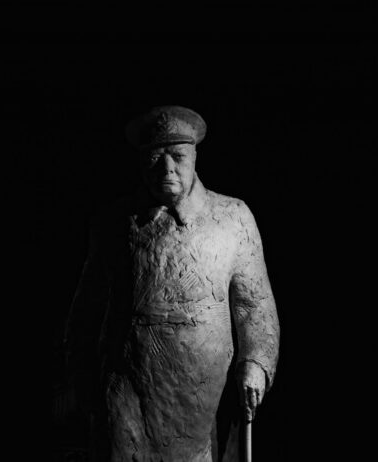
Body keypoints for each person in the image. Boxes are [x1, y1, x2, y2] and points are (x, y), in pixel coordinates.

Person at [64, 105, 280, 462]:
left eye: (177, 156)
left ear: (194, 157)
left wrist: (255, 362)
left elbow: (254, 305)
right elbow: (85, 311)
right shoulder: (114, 223)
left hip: (202, 397)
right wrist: (84, 382)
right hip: (126, 393)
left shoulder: (232, 219)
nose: (166, 168)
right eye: (154, 157)